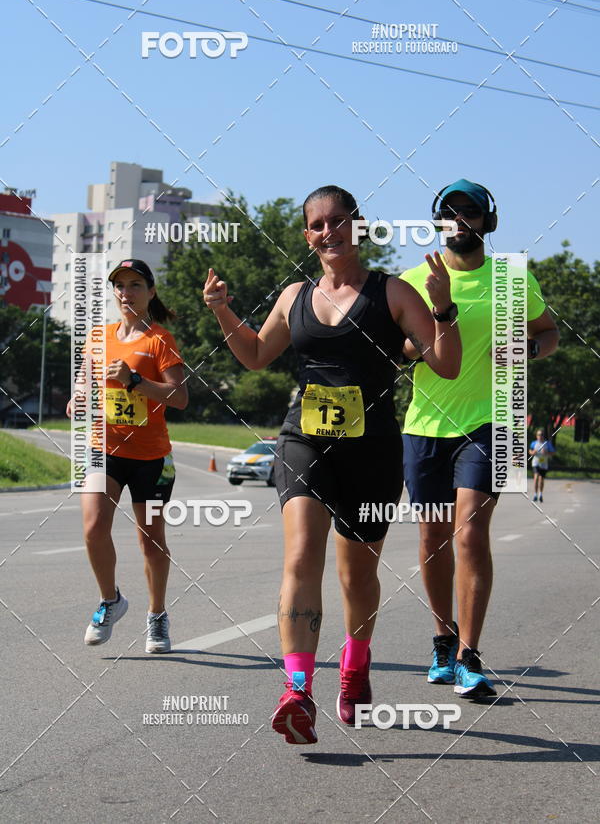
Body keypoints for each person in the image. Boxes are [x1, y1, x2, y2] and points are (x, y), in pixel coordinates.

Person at [203, 185, 461, 744]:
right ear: (307, 235)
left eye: (339, 221)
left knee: (358, 575)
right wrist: (223, 310)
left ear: (358, 226)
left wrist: (441, 306)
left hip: (372, 451)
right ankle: (297, 690)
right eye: (317, 225)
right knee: (300, 555)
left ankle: (355, 665)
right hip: (304, 440)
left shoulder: (392, 292)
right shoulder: (294, 294)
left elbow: (446, 363)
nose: (328, 232)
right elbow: (253, 356)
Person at [401, 179, 559, 698]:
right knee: (432, 537)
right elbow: (397, 346)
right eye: (451, 212)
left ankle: (470, 654)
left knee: (469, 532)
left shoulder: (513, 279)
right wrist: (421, 333)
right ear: (438, 222)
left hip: (499, 419)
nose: (461, 219)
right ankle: (443, 639)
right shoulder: (413, 279)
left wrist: (529, 353)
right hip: (425, 423)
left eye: (471, 212)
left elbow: (548, 333)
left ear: (488, 222)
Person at [67, 259, 188, 653]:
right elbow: (84, 383)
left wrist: (135, 380)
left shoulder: (159, 340)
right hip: (103, 450)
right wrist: (78, 398)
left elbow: (180, 398)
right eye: (119, 285)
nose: (126, 292)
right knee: (92, 528)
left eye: (135, 285)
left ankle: (157, 616)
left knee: (150, 540)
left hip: (151, 458)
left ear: (150, 292)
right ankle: (110, 600)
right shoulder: (99, 337)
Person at [529, 428, 555, 502]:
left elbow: (553, 452)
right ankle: (535, 494)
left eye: (541, 435)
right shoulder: (534, 443)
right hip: (535, 463)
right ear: (536, 436)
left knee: (541, 479)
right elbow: (530, 451)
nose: (540, 436)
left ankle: (540, 494)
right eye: (538, 435)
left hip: (544, 464)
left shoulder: (547, 444)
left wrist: (547, 452)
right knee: (536, 477)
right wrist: (533, 452)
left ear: (544, 436)